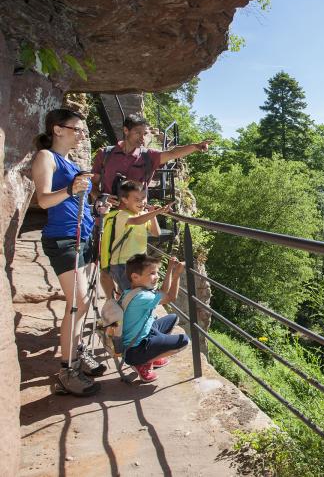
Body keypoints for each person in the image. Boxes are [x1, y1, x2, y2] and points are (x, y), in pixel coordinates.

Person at [91, 113, 211, 298]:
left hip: (137, 219)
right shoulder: (105, 154)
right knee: (106, 265)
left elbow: (172, 153)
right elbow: (94, 185)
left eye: (145, 133)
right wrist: (102, 197)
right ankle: (111, 303)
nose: (142, 137)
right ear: (126, 130)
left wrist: (195, 147)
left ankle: (127, 304)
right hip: (109, 218)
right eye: (138, 132)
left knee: (133, 265)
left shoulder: (149, 157)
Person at [31, 108, 107, 397]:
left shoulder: (70, 161)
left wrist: (96, 207)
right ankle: (67, 370)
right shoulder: (46, 158)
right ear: (58, 129)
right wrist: (73, 189)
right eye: (76, 129)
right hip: (63, 239)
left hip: (82, 236)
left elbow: (77, 201)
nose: (81, 134)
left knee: (85, 301)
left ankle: (77, 353)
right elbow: (44, 200)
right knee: (77, 301)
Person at [121, 254, 189, 383]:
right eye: (152, 273)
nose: (157, 276)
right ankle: (143, 362)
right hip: (135, 350)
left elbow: (163, 292)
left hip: (141, 336)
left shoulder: (133, 290)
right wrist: (177, 274)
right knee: (184, 341)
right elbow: (170, 297)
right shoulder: (142, 297)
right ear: (135, 276)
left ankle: (152, 354)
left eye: (157, 272)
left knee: (173, 318)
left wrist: (170, 268)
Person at [101, 180, 174, 293]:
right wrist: (158, 212)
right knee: (130, 295)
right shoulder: (121, 215)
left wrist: (152, 213)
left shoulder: (144, 215)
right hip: (122, 264)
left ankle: (124, 307)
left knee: (131, 295)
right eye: (137, 199)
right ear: (125, 200)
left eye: (143, 198)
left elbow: (156, 233)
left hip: (139, 263)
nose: (142, 202)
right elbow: (136, 221)